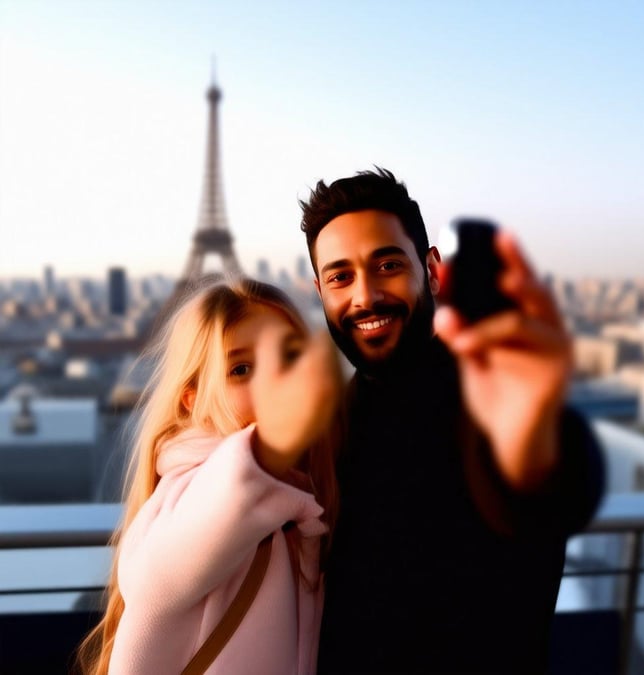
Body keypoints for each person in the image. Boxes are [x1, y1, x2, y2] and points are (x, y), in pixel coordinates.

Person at [299, 167, 605, 674]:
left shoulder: (490, 394)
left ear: (433, 269)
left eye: (388, 264)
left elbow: (555, 479)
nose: (365, 296)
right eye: (340, 277)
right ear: (320, 291)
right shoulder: (330, 429)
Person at [75, 279, 342, 675]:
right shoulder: (192, 494)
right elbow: (156, 574)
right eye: (241, 369)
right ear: (193, 399)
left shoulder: (301, 497)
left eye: (288, 359)